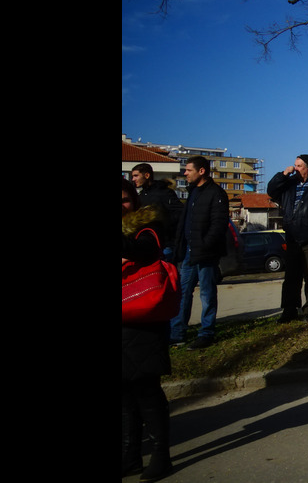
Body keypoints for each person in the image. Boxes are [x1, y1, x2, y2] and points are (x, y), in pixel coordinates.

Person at [122, 178, 173, 482]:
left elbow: (145, 252)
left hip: (144, 321)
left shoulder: (148, 226)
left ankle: (161, 455)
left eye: (124, 199)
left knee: (146, 391)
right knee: (124, 395)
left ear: (135, 201)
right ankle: (129, 456)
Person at [170, 155, 229, 349]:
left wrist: (205, 245)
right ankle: (177, 333)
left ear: (201, 171)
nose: (185, 173)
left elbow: (218, 225)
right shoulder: (193, 192)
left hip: (206, 253)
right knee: (182, 292)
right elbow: (185, 223)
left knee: (207, 293)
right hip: (189, 252)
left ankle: (206, 333)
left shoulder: (216, 194)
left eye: (188, 170)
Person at [267, 155, 308, 323]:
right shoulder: (289, 184)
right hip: (292, 237)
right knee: (291, 277)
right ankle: (289, 310)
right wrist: (283, 174)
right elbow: (271, 191)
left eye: (299, 165)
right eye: (295, 165)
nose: (295, 168)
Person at [131, 163, 184, 261]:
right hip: (146, 243)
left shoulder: (165, 193)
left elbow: (180, 213)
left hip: (164, 244)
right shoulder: (141, 195)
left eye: (136, 176)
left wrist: (161, 223)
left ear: (147, 175)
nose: (133, 179)